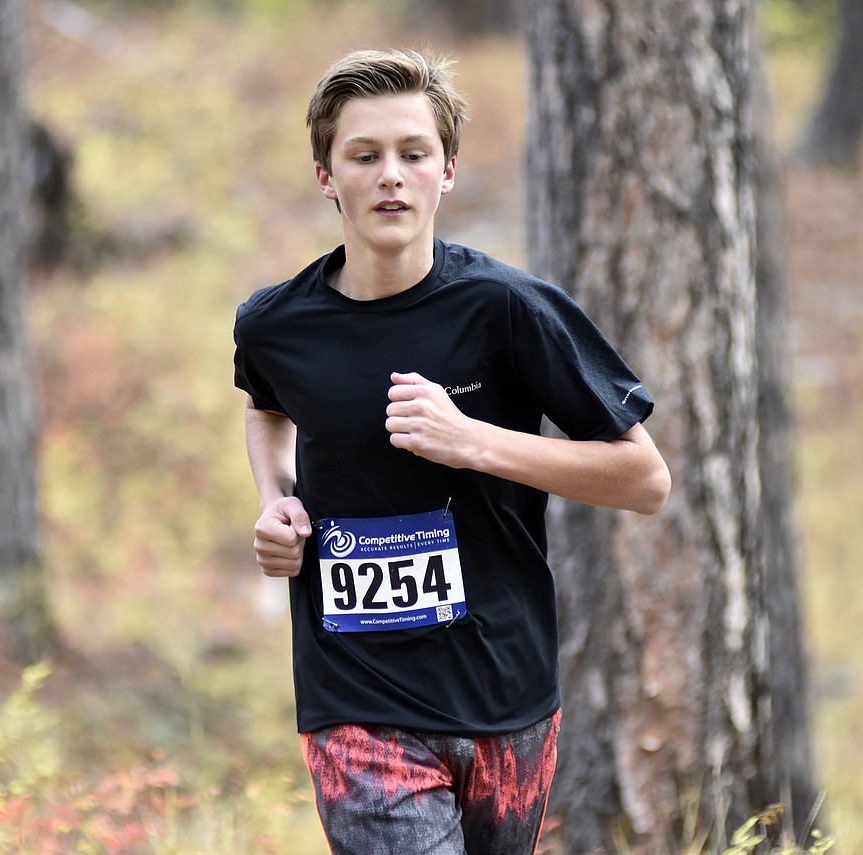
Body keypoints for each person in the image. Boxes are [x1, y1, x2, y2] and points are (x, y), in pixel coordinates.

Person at [232, 48, 671, 855]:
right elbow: (265, 405)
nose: (391, 175)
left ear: (448, 171)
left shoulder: (510, 310)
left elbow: (643, 477)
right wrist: (275, 498)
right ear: (327, 176)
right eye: (365, 156)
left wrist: (473, 442)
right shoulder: (275, 325)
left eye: (413, 154)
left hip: (506, 691)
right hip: (355, 696)